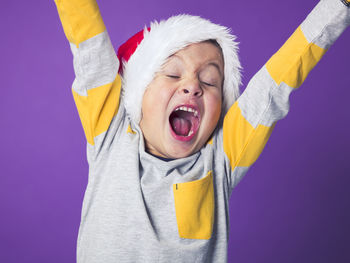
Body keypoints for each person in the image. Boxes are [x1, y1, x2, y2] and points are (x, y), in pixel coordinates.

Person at [54, 0, 350, 262]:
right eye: (172, 73)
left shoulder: (222, 157)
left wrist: (339, 6)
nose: (193, 86)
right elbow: (87, 38)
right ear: (137, 93)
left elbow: (278, 82)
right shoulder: (110, 134)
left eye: (210, 81)